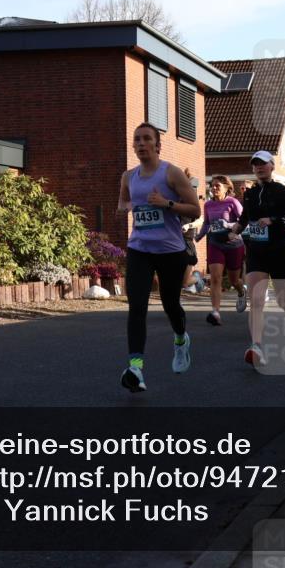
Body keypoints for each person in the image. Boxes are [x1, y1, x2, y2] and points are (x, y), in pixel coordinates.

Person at [118, 123, 201, 392]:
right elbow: (122, 204)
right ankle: (136, 368)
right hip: (140, 249)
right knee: (137, 307)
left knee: (170, 305)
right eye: (137, 140)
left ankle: (180, 340)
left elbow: (195, 210)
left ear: (157, 145)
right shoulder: (128, 177)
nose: (141, 144)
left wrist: (166, 204)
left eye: (146, 139)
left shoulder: (171, 173)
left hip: (170, 251)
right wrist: (129, 207)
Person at [227, 151, 285, 365]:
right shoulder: (250, 194)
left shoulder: (283, 191)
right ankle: (257, 346)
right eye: (255, 165)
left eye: (263, 164)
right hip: (257, 252)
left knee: (282, 299)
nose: (259, 168)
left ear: (272, 166)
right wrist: (236, 229)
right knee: (257, 300)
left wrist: (274, 221)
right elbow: (245, 218)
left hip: (280, 251)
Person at [195, 175, 245, 325]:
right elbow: (207, 223)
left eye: (218, 185)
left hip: (234, 244)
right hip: (215, 243)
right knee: (215, 278)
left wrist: (229, 226)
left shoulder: (233, 202)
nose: (214, 188)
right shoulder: (208, 204)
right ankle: (215, 312)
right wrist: (199, 236)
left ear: (226, 188)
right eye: (213, 185)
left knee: (233, 280)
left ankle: (241, 291)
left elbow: (244, 220)